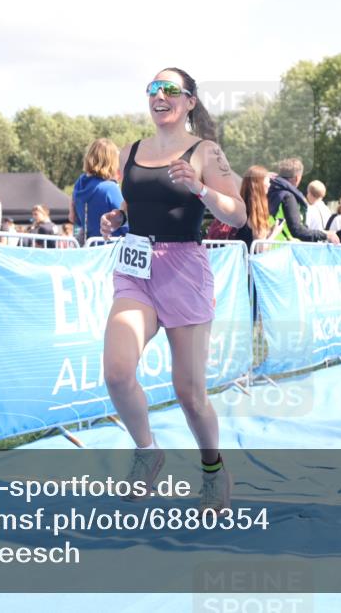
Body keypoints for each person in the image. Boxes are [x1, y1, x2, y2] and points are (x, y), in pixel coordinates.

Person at [98, 67, 246, 512]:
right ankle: (148, 452)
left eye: (170, 90)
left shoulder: (206, 151)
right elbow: (135, 202)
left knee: (190, 393)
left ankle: (213, 469)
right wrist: (119, 218)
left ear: (189, 102)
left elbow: (238, 214)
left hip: (184, 268)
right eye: (153, 89)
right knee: (118, 372)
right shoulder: (131, 151)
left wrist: (200, 188)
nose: (159, 96)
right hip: (136, 267)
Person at [267, 158, 338, 243]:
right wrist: (325, 235)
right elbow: (297, 230)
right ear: (297, 178)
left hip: (265, 246)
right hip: (281, 248)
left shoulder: (268, 191)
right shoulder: (288, 197)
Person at [71, 138, 127, 245]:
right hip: (110, 251)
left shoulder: (79, 184)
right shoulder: (109, 188)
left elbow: (75, 219)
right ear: (112, 160)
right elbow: (126, 222)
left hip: (90, 249)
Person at [234, 166, 275, 249]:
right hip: (248, 260)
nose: (269, 185)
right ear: (260, 185)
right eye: (268, 182)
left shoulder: (240, 207)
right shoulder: (256, 212)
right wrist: (275, 232)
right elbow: (260, 248)